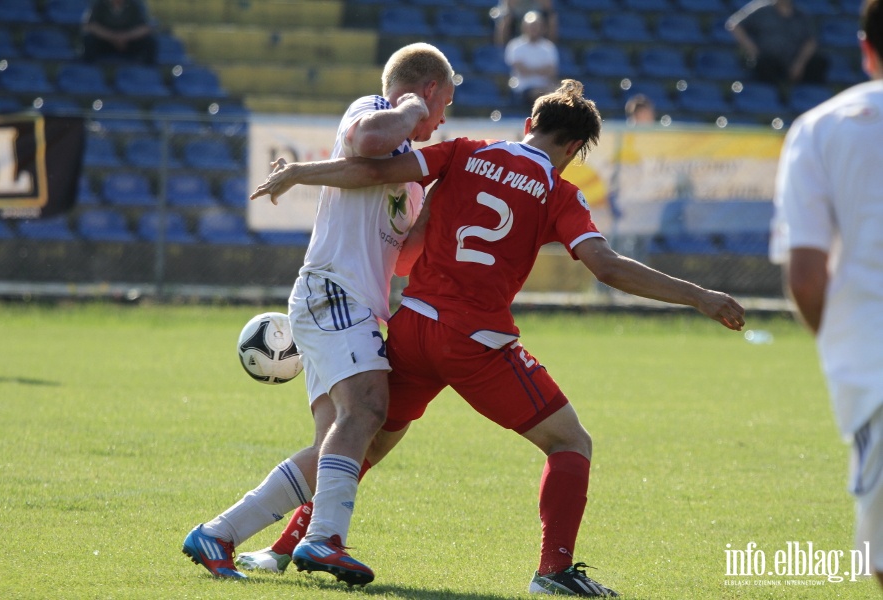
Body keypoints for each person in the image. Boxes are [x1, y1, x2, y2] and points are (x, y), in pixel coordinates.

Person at [250, 79, 746, 597]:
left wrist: (302, 173)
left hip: (413, 325)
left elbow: (374, 170)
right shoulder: (558, 191)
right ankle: (553, 573)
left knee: (363, 439)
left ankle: (285, 548)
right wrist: (699, 296)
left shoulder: (466, 151)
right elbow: (608, 268)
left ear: (529, 124)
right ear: (574, 149)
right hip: (475, 342)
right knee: (570, 442)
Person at [181, 42, 455, 586]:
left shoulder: (410, 169)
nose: (443, 115)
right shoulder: (374, 109)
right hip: (332, 290)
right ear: (426, 91)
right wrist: (412, 111)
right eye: (443, 101)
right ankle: (325, 539)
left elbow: (400, 256)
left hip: (349, 301)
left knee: (336, 440)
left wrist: (436, 208)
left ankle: (218, 534)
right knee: (370, 408)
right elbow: (364, 141)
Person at [770, 0, 883, 588]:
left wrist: (847, 345)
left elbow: (808, 277)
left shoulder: (820, 129)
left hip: (874, 370)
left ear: (866, 50)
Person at [726, 0, 828, 85]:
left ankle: (810, 99)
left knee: (819, 63)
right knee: (764, 65)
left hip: (794, 60)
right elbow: (735, 26)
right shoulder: (761, 10)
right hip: (770, 61)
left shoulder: (801, 14)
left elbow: (811, 41)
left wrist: (799, 64)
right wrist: (752, 49)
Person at [505, 11, 560, 112]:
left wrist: (531, 70)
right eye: (531, 26)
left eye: (536, 26)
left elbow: (552, 71)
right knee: (541, 94)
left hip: (546, 87)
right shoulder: (515, 46)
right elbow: (522, 70)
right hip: (523, 88)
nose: (533, 29)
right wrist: (542, 70)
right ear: (524, 27)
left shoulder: (548, 47)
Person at [81, 0, 157, 65]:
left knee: (150, 41)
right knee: (88, 39)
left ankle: (146, 72)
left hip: (129, 43)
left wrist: (125, 37)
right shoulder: (99, 4)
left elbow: (145, 27)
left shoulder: (135, 4)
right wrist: (114, 37)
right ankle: (89, 71)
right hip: (105, 43)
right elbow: (90, 26)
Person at [493, 0, 559, 46]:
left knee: (552, 19)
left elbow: (548, 8)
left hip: (537, 17)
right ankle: (501, 47)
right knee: (505, 19)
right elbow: (508, 6)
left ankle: (550, 47)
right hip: (516, 18)